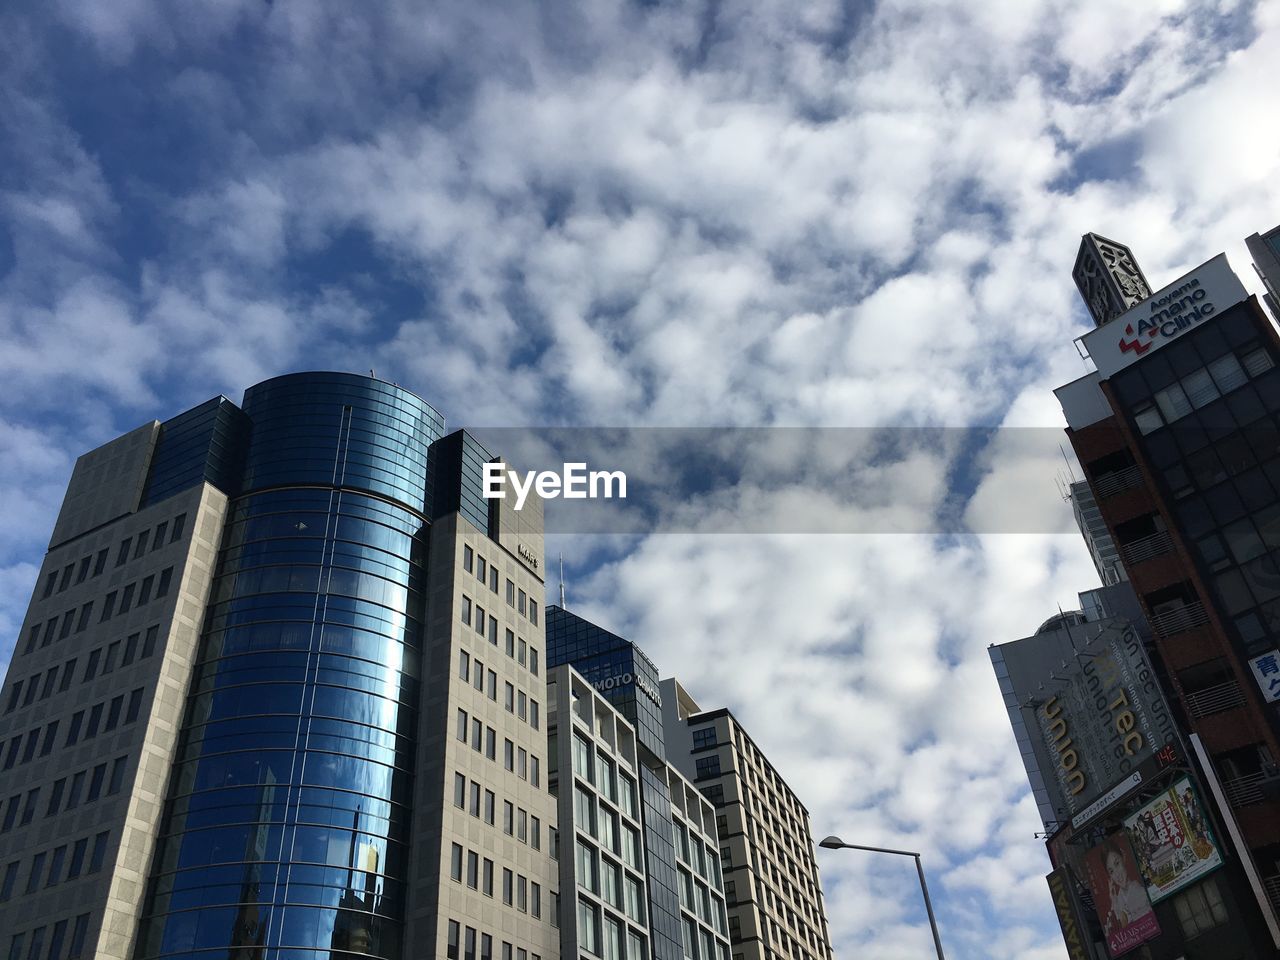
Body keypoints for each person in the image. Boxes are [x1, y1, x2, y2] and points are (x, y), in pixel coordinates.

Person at [1103, 842, 1151, 934]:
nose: (1117, 874)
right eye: (1111, 871)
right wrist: (1114, 900)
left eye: (1117, 863)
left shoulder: (1141, 888)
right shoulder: (1118, 899)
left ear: (1123, 856)